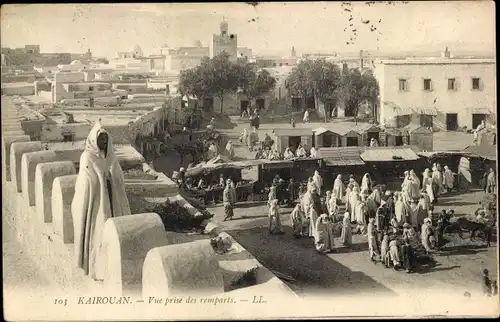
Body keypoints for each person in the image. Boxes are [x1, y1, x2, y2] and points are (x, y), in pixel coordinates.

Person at [72, 122, 131, 281]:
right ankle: (98, 270)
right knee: (98, 236)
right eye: (101, 140)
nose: (103, 143)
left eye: (105, 140)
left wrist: (112, 176)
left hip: (112, 201)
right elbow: (85, 183)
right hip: (96, 205)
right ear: (93, 140)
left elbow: (119, 177)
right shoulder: (87, 156)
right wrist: (100, 180)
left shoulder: (111, 156)